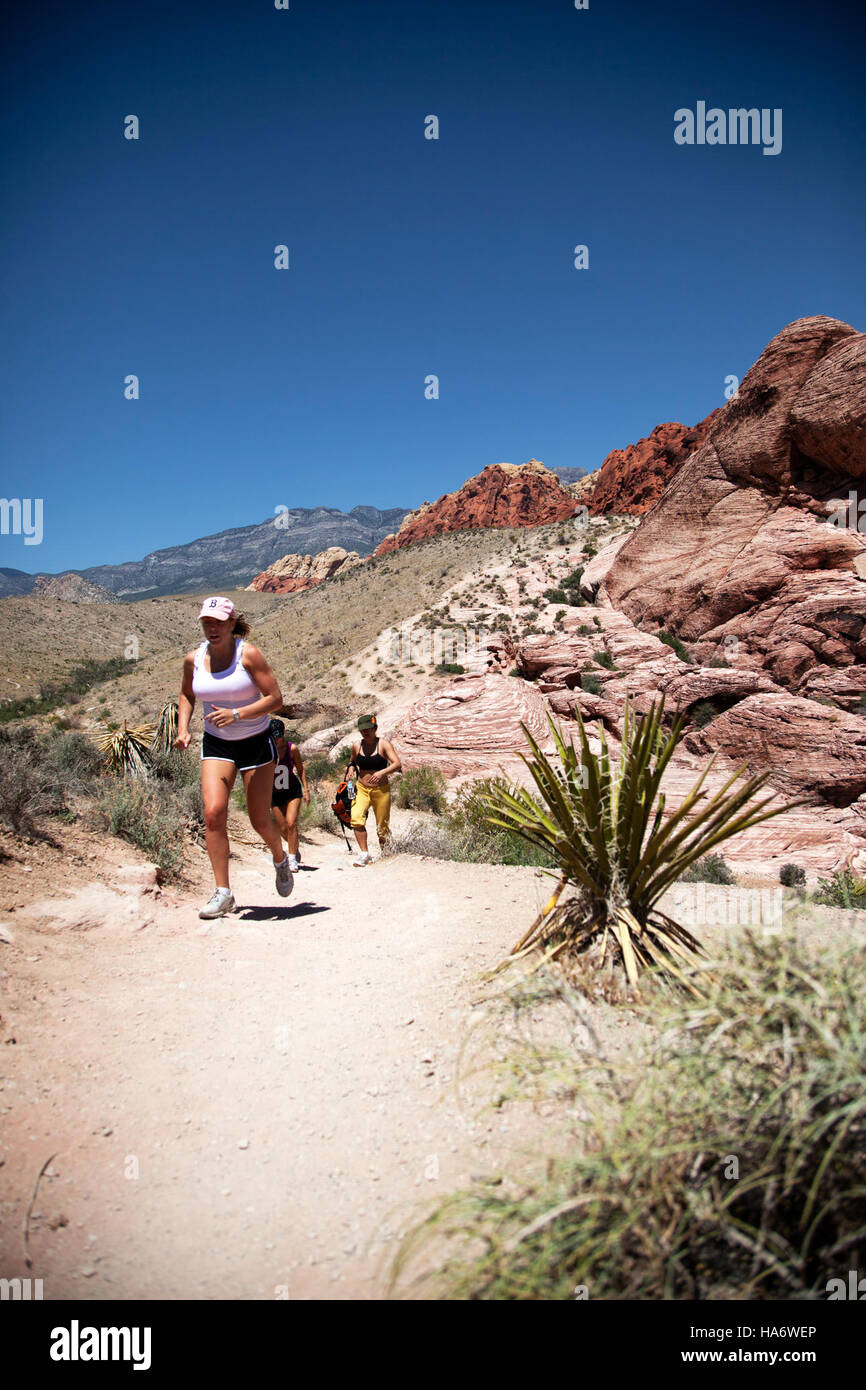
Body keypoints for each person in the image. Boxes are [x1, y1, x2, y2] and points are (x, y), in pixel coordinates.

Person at [174, 596, 294, 918]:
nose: (212, 628)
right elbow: (187, 693)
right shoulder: (194, 659)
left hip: (255, 742)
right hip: (217, 744)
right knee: (213, 813)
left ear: (231, 624)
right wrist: (183, 727)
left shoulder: (248, 654)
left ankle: (280, 858)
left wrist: (237, 714)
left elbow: (276, 699)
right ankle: (223, 892)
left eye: (218, 622)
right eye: (206, 623)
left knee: (259, 820)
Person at [346, 714, 401, 867]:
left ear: (375, 728)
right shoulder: (357, 746)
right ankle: (364, 854)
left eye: (369, 729)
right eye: (363, 730)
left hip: (381, 791)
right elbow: (352, 762)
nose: (366, 732)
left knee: (382, 827)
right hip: (362, 789)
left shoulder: (383, 744)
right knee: (356, 819)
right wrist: (351, 769)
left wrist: (381, 772)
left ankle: (387, 853)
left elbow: (397, 763)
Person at [269, 717, 309, 872]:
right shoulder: (266, 750)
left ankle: (292, 859)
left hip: (292, 791)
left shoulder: (292, 749)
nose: (276, 739)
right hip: (274, 793)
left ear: (283, 734)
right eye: (273, 736)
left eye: (278, 736)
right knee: (283, 829)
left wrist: (306, 790)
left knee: (291, 823)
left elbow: (301, 769)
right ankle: (295, 847)